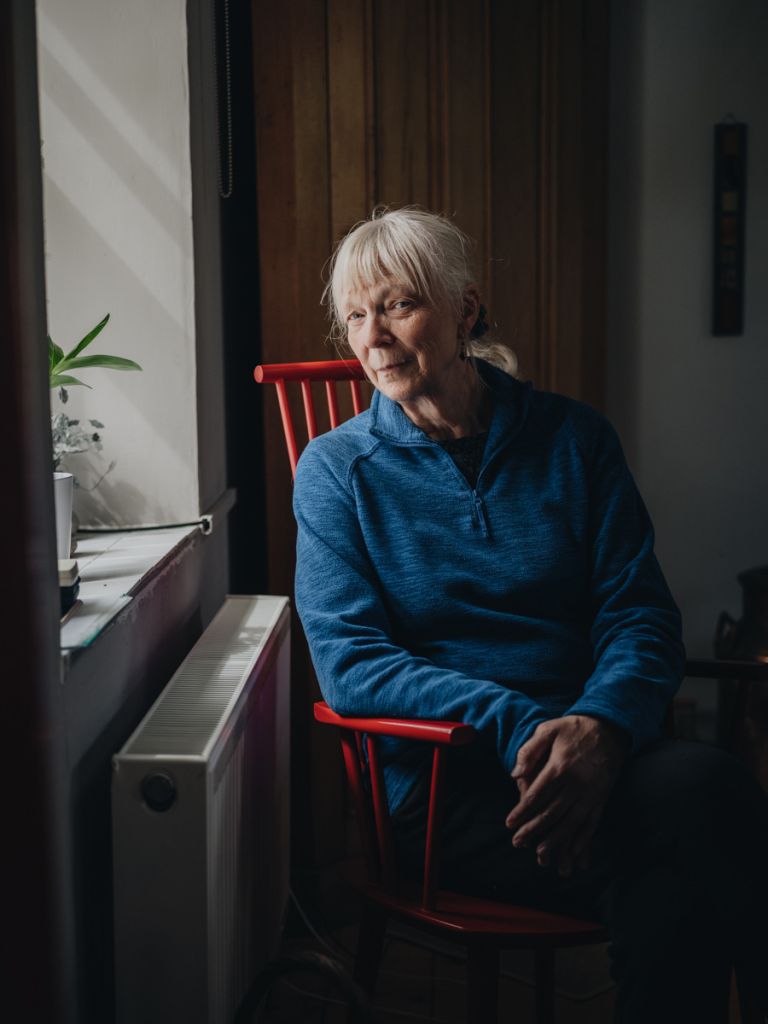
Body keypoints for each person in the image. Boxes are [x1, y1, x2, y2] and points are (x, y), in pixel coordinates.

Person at [292, 206, 768, 1022]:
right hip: (450, 787)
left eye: (399, 305)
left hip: (598, 754)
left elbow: (639, 614)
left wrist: (602, 726)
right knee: (699, 851)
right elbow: (354, 663)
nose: (372, 337)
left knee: (708, 799)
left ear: (466, 310)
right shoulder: (339, 473)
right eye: (356, 316)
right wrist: (521, 725)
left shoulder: (575, 441)